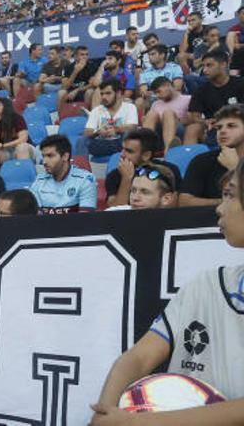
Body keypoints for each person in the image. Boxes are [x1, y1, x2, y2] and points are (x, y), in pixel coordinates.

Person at [90, 160, 244, 426]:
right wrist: (104, 413)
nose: (219, 207)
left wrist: (135, 423)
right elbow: (138, 357)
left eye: (230, 195)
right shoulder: (205, 284)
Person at [180, 104, 244, 207]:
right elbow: (185, 202)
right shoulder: (201, 160)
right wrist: (224, 202)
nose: (222, 131)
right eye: (219, 127)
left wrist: (235, 168)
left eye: (231, 126)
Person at [106, 129, 182, 208]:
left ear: (146, 155)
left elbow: (175, 206)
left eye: (129, 151)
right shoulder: (114, 175)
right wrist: (126, 179)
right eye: (122, 149)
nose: (122, 155)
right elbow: (114, 212)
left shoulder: (168, 171)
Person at [185, 51, 244, 145]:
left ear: (223, 65)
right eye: (203, 66)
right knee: (193, 128)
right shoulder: (201, 91)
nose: (204, 70)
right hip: (215, 129)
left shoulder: (240, 84)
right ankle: (188, 157)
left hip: (239, 125)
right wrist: (205, 121)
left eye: (209, 65)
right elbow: (195, 117)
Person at [30, 134, 97, 214]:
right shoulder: (39, 181)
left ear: (65, 156)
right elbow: (36, 219)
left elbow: (86, 220)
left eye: (50, 156)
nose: (44, 162)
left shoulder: (85, 181)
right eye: (43, 156)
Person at [76, 80, 140, 157]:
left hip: (121, 143)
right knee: (82, 140)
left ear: (118, 93)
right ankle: (83, 167)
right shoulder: (97, 110)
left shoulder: (130, 107)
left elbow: (132, 127)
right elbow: (87, 131)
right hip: (101, 143)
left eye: (108, 93)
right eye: (102, 94)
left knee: (129, 135)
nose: (103, 97)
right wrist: (98, 132)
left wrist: (116, 130)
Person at [144, 76, 192, 154]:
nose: (157, 96)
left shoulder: (188, 99)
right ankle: (146, 149)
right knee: (151, 114)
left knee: (168, 113)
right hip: (158, 135)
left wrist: (174, 119)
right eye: (155, 93)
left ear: (168, 85)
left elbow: (193, 120)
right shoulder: (156, 103)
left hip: (179, 132)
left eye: (159, 91)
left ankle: (168, 151)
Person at [0, 97, 32, 172]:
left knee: (21, 147)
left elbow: (23, 139)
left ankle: (23, 177)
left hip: (24, 150)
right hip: (5, 153)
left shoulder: (17, 118)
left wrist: (4, 145)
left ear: (6, 106)